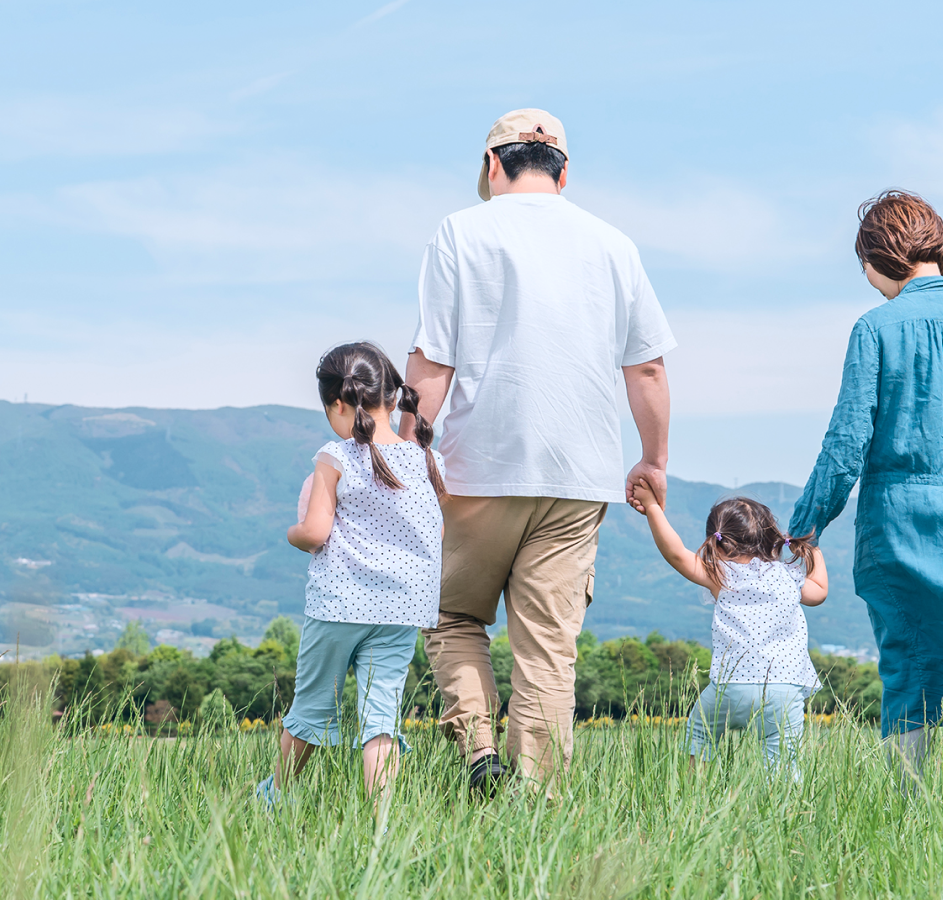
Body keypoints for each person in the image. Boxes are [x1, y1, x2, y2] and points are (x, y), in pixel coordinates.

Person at [402, 108, 675, 793]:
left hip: (479, 465)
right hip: (581, 474)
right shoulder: (613, 243)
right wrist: (653, 460)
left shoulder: (461, 231)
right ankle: (538, 803)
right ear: (564, 171)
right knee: (549, 650)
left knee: (450, 614)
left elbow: (432, 358)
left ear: (493, 165)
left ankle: (478, 751)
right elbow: (646, 369)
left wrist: (410, 448)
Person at [786, 190, 943, 787]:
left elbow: (847, 439)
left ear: (877, 257)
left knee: (909, 654)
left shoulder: (876, 328)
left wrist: (807, 521)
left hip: (901, 511)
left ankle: (911, 798)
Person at [258, 342, 445, 805]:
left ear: (338, 404)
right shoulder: (425, 460)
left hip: (338, 605)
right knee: (381, 716)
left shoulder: (335, 456)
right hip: (401, 610)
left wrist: (292, 533)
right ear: (389, 396)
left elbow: (317, 532)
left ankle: (277, 796)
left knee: (312, 705)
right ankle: (381, 818)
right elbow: (434, 535)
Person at [630, 491, 827, 782]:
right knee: (784, 764)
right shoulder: (789, 576)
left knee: (700, 732)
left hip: (730, 686)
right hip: (785, 688)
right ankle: (788, 816)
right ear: (771, 538)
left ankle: (695, 796)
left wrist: (651, 507)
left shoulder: (720, 574)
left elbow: (675, 553)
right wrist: (814, 550)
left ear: (717, 540)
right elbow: (819, 591)